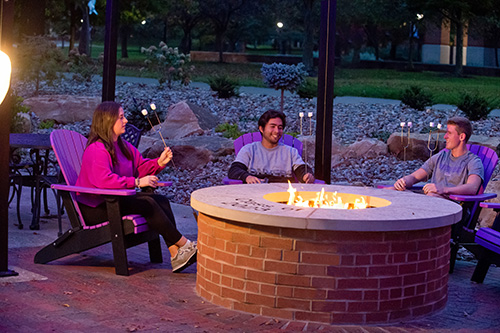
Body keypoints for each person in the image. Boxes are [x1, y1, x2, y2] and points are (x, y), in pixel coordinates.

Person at [75, 101, 196, 273]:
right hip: (97, 208)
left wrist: (159, 163)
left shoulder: (123, 147)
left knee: (160, 200)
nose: (126, 121)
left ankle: (175, 253)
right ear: (108, 121)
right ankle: (186, 245)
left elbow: (139, 168)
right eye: (121, 117)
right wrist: (137, 182)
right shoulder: (96, 149)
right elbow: (104, 181)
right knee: (147, 204)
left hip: (115, 201)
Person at [392, 116, 484, 198]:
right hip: (432, 200)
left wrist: (443, 189)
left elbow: (473, 187)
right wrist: (404, 181)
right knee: (392, 191)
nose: (445, 137)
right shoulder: (440, 156)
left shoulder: (473, 161)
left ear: (462, 137)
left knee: (430, 196)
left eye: (449, 133)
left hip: (454, 207)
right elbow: (415, 177)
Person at [228, 109, 315, 184]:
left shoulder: (290, 152)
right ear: (262, 129)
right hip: (255, 195)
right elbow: (234, 170)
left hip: (283, 195)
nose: (277, 131)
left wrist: (306, 176)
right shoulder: (249, 150)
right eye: (272, 126)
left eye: (280, 127)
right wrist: (247, 177)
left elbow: (302, 169)